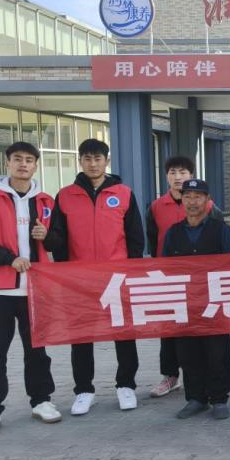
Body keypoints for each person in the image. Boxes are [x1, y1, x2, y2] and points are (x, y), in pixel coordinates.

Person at [0, 141, 61, 438]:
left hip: (35, 291)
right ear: (7, 163)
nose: (23, 164)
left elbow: (60, 241)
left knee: (37, 351)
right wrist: (8, 259)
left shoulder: (46, 201)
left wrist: (47, 236)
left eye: (29, 160)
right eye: (17, 159)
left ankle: (41, 400)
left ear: (35, 165)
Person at [44, 138, 145, 415]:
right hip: (80, 279)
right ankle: (84, 390)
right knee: (81, 335)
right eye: (87, 159)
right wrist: (65, 270)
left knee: (123, 332)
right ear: (80, 161)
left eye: (97, 158)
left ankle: (126, 385)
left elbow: (135, 237)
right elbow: (59, 238)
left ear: (106, 161)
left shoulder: (123, 193)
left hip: (117, 277)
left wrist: (131, 271)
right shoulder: (65, 195)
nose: (92, 164)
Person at [145, 154, 222, 400]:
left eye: (183, 173)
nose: (178, 177)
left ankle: (206, 379)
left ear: (191, 176)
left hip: (203, 282)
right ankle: (170, 376)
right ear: (166, 177)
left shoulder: (210, 207)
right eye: (173, 173)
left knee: (202, 330)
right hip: (169, 279)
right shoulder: (156, 207)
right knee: (169, 329)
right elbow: (153, 241)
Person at [160, 179, 230, 420]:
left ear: (207, 200)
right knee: (187, 352)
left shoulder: (221, 230)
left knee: (217, 352)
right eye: (188, 197)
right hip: (184, 303)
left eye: (198, 197)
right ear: (182, 200)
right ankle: (196, 398)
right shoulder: (173, 232)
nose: (192, 202)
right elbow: (164, 268)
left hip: (214, 302)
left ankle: (219, 399)